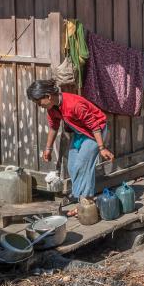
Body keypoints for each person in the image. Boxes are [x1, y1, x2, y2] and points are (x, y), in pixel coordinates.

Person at [26, 80, 114, 214]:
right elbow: (53, 127)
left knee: (83, 165)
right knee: (72, 166)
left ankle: (86, 203)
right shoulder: (53, 109)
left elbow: (94, 125)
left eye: (39, 103)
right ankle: (82, 202)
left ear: (48, 97)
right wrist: (48, 149)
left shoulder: (74, 104)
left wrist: (102, 148)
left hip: (96, 132)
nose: (39, 106)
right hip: (81, 132)